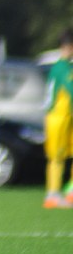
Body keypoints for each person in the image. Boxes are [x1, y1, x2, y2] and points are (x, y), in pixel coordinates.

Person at [43, 28, 73, 209]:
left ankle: (70, 192)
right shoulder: (62, 68)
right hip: (58, 118)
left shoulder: (65, 66)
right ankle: (52, 195)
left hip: (66, 117)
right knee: (57, 157)